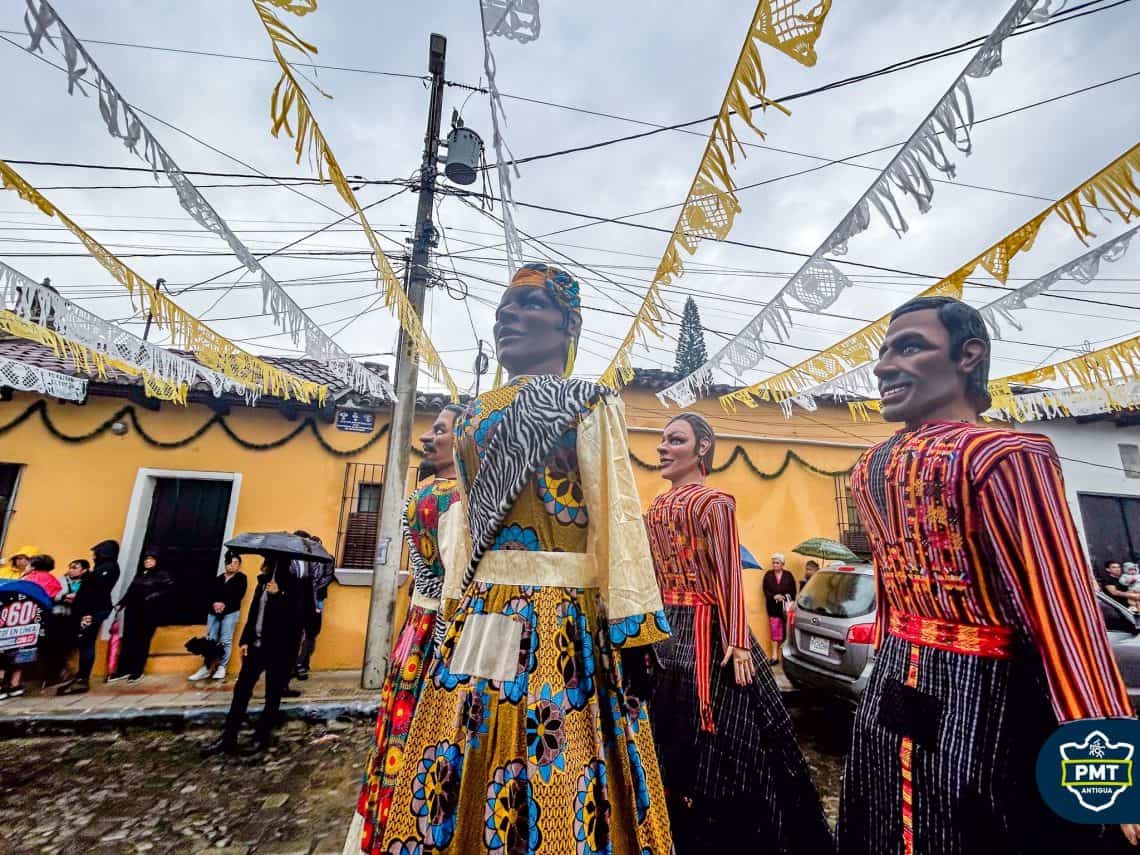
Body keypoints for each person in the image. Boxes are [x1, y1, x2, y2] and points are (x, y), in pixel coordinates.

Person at [380, 263, 673, 853]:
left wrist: (634, 624)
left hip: (541, 615)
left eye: (530, 305)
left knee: (487, 735)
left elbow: (617, 512)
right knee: (503, 736)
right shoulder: (473, 416)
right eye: (502, 310)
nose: (508, 316)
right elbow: (464, 527)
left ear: (570, 325)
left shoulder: (586, 401)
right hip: (508, 611)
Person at [836, 296, 1138, 853]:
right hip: (984, 698)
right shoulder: (1005, 452)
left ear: (968, 354)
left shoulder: (871, 466)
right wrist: (1111, 762)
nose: (882, 367)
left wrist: (884, 660)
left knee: (893, 822)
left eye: (909, 347)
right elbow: (1063, 612)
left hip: (892, 689)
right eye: (884, 353)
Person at [646, 413, 833, 852]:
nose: (663, 448)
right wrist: (735, 637)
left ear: (702, 447)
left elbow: (730, 574)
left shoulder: (698, 504)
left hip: (689, 632)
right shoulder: (695, 505)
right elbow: (722, 574)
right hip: (696, 631)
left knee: (686, 734)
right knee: (731, 740)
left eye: (675, 440)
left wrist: (733, 641)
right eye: (663, 440)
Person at [345, 404, 467, 853]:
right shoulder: (461, 500)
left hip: (414, 627)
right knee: (435, 728)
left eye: (439, 430)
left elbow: (423, 570)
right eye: (433, 430)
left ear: (462, 439)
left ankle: (386, 814)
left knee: (401, 718)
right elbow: (455, 577)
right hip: (442, 629)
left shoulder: (417, 499)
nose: (429, 437)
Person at [200, 553, 312, 757]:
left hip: (279, 650)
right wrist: (244, 639)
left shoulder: (297, 586)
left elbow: (299, 619)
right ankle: (228, 737)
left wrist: (279, 595)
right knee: (241, 691)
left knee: (272, 696)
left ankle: (261, 738)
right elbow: (253, 613)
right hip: (256, 647)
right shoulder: (262, 584)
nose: (263, 566)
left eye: (267, 562)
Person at [56, 541, 120, 695]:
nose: (93, 556)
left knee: (86, 643)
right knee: (84, 642)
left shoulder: (107, 568)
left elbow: (95, 592)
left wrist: (86, 613)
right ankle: (80, 677)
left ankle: (82, 679)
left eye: (96, 553)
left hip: (92, 611)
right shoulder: (103, 568)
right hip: (91, 609)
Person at [0, 554, 62, 699]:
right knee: (21, 655)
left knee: (3, 655)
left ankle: (2, 685)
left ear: (33, 566)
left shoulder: (28, 581)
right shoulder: (54, 581)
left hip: (11, 623)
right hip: (34, 625)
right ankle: (16, 685)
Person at [110, 549, 174, 683]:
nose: (147, 562)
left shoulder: (162, 575)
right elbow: (131, 590)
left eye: (151, 559)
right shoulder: (140, 574)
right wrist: (122, 603)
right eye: (146, 559)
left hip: (149, 612)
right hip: (133, 611)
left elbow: (167, 591)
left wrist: (150, 597)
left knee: (142, 641)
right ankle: (123, 670)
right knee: (128, 640)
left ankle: (137, 670)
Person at [190, 551, 247, 681]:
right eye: (231, 562)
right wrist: (215, 604)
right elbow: (210, 594)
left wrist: (224, 604)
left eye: (236, 563)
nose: (233, 565)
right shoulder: (219, 578)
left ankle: (222, 667)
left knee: (226, 639)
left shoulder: (241, 578)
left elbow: (239, 595)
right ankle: (206, 667)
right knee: (211, 639)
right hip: (213, 612)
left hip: (230, 612)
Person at [44, 559, 88, 686]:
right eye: (71, 567)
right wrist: (64, 596)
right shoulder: (61, 580)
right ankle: (54, 674)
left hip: (74, 618)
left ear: (84, 570)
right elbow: (53, 594)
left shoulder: (87, 582)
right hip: (58, 616)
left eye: (75, 567)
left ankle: (64, 671)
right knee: (54, 646)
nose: (72, 570)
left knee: (68, 647)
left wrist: (78, 598)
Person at [295, 535, 333, 681]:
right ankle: (298, 664)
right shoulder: (307, 559)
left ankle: (303, 663)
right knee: (301, 632)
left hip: (317, 598)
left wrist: (315, 588)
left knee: (312, 632)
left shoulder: (328, 558)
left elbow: (327, 576)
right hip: (305, 598)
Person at [761, 553, 796, 666]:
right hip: (773, 608)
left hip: (785, 609)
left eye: (777, 563)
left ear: (782, 564)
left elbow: (793, 591)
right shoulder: (768, 575)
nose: (775, 565)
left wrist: (785, 597)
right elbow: (765, 590)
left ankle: (784, 656)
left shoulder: (788, 575)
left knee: (786, 632)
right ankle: (774, 656)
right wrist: (774, 596)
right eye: (774, 562)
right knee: (775, 631)